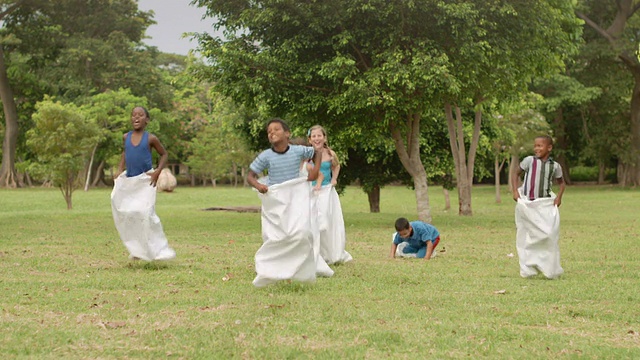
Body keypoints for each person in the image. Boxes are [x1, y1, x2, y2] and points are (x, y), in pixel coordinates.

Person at [247, 118, 333, 287]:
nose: (272, 133)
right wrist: (259, 185)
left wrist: (315, 171)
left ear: (287, 134)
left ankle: (299, 269)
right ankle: (269, 269)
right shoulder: (266, 156)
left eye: (276, 130)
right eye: (269, 131)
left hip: (295, 196)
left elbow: (316, 152)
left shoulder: (297, 151)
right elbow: (250, 176)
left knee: (301, 232)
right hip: (276, 198)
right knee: (277, 236)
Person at [110, 106, 176, 261]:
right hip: (130, 181)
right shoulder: (126, 137)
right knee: (127, 213)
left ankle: (157, 250)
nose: (136, 118)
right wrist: (120, 169)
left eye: (140, 115)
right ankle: (136, 250)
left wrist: (158, 171)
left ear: (147, 120)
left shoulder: (151, 138)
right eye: (133, 115)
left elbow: (164, 154)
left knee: (145, 214)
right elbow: (125, 153)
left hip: (146, 181)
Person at [511, 135, 565, 279]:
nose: (536, 148)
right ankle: (528, 267)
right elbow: (515, 174)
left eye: (540, 146)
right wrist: (515, 190)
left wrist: (559, 197)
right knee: (526, 234)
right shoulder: (529, 161)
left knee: (548, 234)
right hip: (528, 203)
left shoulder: (555, 166)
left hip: (543, 204)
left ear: (549, 148)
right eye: (535, 146)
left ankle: (548, 266)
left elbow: (562, 183)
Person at [306, 125, 352, 264]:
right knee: (312, 221)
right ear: (309, 139)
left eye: (319, 135)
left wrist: (334, 178)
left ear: (324, 137)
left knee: (326, 220)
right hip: (312, 191)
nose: (317, 138)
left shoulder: (330, 153)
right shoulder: (307, 154)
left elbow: (336, 166)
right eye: (313, 136)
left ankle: (330, 251)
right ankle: (314, 252)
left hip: (326, 190)